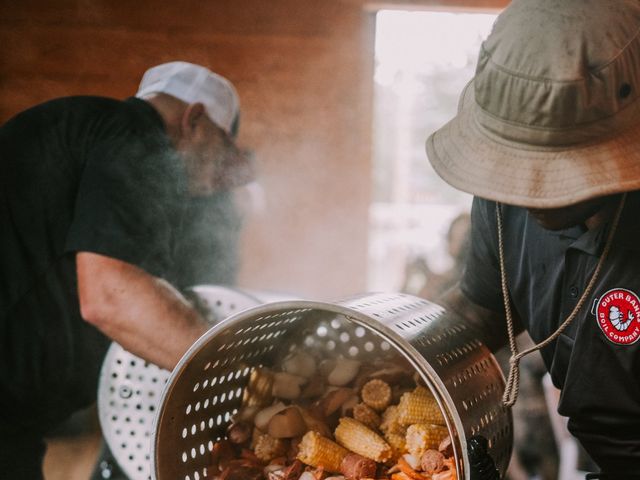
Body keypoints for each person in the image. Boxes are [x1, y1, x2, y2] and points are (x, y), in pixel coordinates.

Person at [0, 61, 254, 478]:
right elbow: (110, 297)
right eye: (224, 150)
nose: (218, 179)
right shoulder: (137, 135)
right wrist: (242, 382)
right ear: (194, 119)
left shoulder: (93, 136)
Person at [426, 0, 640, 475]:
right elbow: (482, 307)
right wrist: (394, 349)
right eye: (516, 169)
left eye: (555, 171)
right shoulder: (503, 199)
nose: (530, 194)